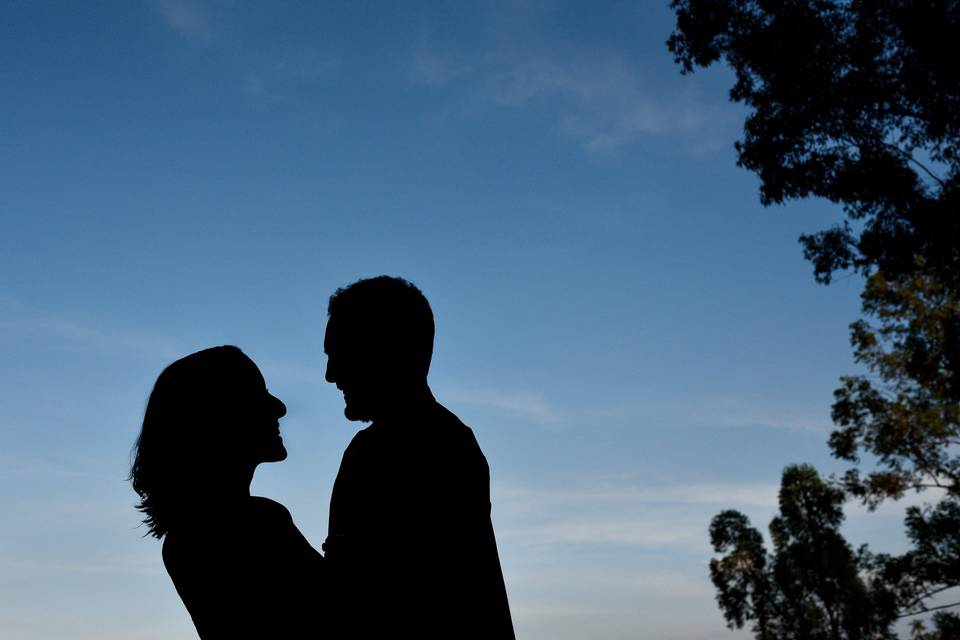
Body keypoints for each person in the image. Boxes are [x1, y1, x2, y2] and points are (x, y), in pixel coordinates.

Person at [323, 275, 515, 639]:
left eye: (340, 354)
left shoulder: (386, 452)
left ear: (385, 351)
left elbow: (353, 599)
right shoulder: (450, 441)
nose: (331, 375)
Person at [130, 346, 323, 638]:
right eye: (258, 394)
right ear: (220, 416)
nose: (279, 407)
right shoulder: (256, 523)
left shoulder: (184, 540)